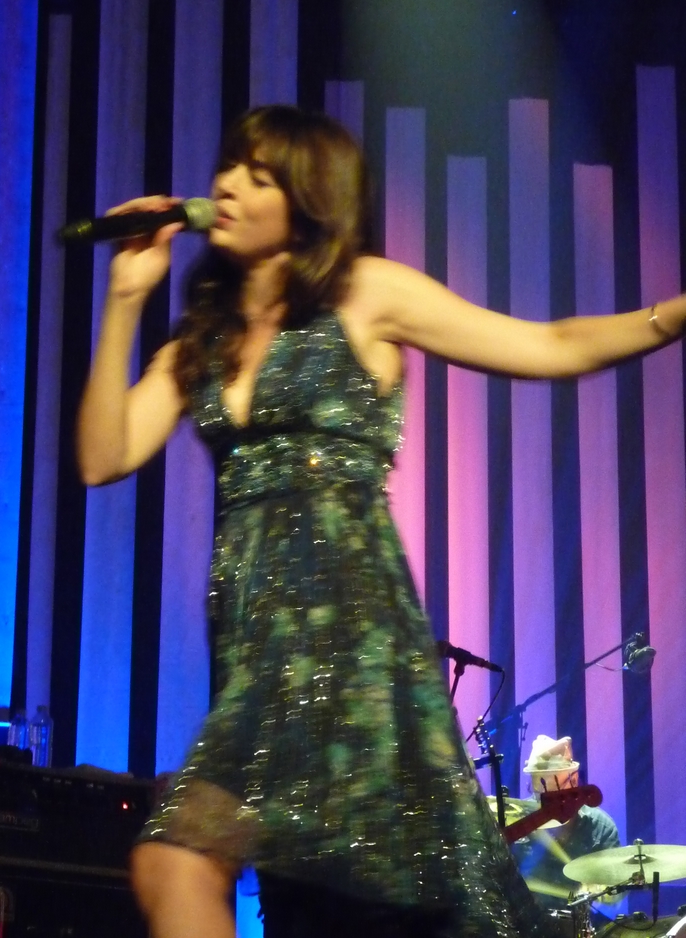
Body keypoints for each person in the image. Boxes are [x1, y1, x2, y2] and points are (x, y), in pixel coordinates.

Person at [76, 105, 686, 938]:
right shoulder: (202, 341)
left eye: (259, 175)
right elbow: (102, 457)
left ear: (307, 199)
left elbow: (550, 345)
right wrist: (124, 298)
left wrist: (671, 315)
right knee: (285, 899)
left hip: (352, 646)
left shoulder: (364, 294)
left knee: (185, 861)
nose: (228, 185)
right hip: (254, 656)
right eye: (229, 168)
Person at [511, 735, 621, 913]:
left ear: (574, 780)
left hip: (580, 922)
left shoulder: (601, 827)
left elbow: (617, 888)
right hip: (527, 922)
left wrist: (600, 888)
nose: (545, 801)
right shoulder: (516, 822)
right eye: (538, 790)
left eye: (553, 794)